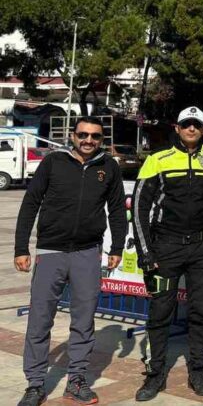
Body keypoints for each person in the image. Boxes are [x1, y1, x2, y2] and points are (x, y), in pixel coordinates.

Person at [15, 117, 126, 406]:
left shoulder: (108, 167)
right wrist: (20, 248)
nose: (88, 140)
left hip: (88, 253)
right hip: (51, 251)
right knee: (40, 320)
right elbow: (31, 203)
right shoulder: (53, 162)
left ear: (102, 139)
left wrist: (116, 248)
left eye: (95, 136)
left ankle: (76, 381)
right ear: (72, 135)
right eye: (83, 134)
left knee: (83, 320)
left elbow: (116, 210)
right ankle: (35, 384)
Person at [133, 107, 203, 401]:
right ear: (177, 128)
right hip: (165, 248)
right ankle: (155, 374)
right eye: (186, 124)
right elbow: (140, 206)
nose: (191, 129)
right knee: (160, 310)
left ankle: (198, 371)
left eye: (196, 125)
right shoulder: (157, 160)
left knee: (201, 311)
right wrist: (145, 250)